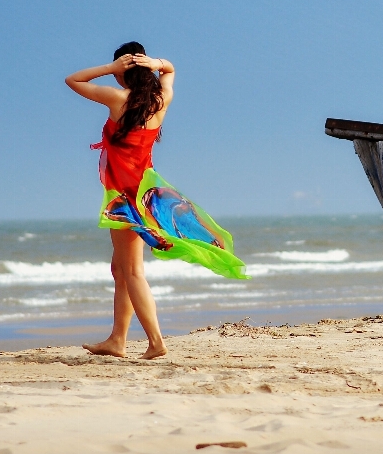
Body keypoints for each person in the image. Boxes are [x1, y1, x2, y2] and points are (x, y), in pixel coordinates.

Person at [66, 42, 247, 360]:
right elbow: (171, 69)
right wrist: (156, 63)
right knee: (121, 270)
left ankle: (156, 341)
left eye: (119, 71)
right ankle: (117, 340)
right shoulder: (161, 100)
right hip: (147, 195)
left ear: (123, 72)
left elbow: (74, 80)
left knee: (132, 271)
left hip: (125, 199)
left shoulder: (117, 98)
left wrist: (111, 69)